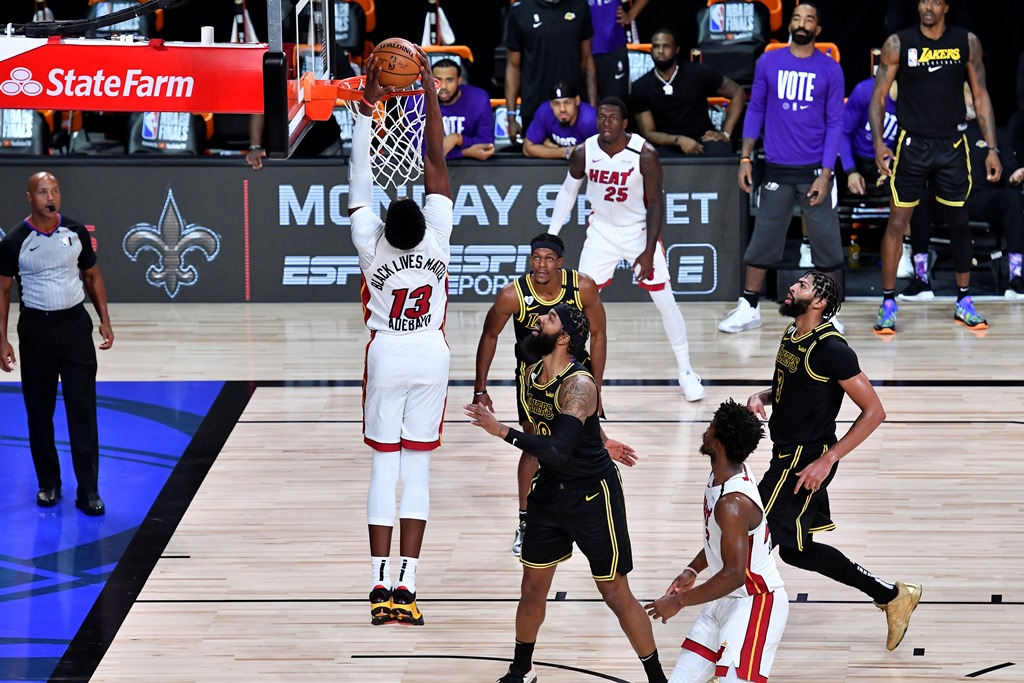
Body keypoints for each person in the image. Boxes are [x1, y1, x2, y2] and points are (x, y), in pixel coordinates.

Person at [464, 304, 667, 683]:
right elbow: (566, 427)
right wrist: (602, 439)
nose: (539, 318)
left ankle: (658, 678)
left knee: (615, 594)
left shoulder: (580, 384)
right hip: (550, 492)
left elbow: (558, 446)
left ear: (564, 338)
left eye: (550, 318)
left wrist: (501, 431)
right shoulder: (530, 370)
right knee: (532, 587)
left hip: (592, 496)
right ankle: (521, 670)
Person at [746, 270, 923, 651]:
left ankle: (734, 649)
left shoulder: (832, 349)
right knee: (795, 549)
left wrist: (828, 460)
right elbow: (793, 389)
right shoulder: (793, 333)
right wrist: (763, 396)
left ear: (820, 302)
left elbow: (875, 411)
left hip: (805, 460)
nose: (792, 286)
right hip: (785, 454)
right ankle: (893, 596)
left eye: (803, 286)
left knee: (750, 545)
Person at [347, 49, 452, 627]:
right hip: (431, 356)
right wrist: (431, 95)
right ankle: (408, 582)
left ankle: (377, 582)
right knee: (419, 469)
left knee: (383, 469)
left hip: (387, 350)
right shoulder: (438, 234)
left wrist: (368, 106)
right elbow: (435, 156)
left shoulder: (370, 241)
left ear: (387, 225)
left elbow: (361, 176)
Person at [547, 97, 705, 401]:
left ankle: (686, 370)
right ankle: (571, 372)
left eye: (613, 118)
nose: (606, 124)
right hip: (602, 233)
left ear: (624, 123)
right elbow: (568, 191)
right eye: (601, 118)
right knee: (577, 304)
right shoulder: (585, 151)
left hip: (638, 232)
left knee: (665, 300)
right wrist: (552, 236)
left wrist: (647, 251)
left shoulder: (644, 154)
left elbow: (657, 203)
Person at [870, 0, 1001, 333]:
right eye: (923, 0)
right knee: (898, 221)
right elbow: (879, 96)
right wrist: (879, 145)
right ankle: (888, 302)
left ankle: (964, 300)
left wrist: (992, 148)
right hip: (911, 145)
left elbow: (981, 94)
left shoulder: (965, 42)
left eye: (935, 1)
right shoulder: (899, 43)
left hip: (953, 145)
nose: (928, 6)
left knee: (959, 221)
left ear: (946, 6)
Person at [473, 233, 606, 556]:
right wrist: (480, 388)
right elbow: (489, 335)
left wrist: (597, 389)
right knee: (534, 444)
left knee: (589, 441)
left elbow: (599, 334)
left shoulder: (583, 287)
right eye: (536, 258)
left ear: (560, 262)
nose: (540, 265)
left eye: (548, 259)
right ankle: (525, 521)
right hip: (534, 377)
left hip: (574, 374)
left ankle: (589, 511)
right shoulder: (513, 294)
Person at [722, 2, 844, 336]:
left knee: (826, 243)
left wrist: (826, 171)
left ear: (818, 29)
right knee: (763, 240)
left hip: (814, 169)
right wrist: (745, 157)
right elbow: (756, 108)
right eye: (797, 17)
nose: (802, 23)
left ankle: (828, 313)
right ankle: (749, 306)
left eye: (809, 18)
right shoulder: (769, 61)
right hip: (776, 167)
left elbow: (835, 122)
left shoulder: (830, 69)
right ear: (789, 24)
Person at [645, 400, 788, 683]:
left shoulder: (733, 503)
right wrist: (693, 569)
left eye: (711, 427)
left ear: (720, 443)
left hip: (755, 601)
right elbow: (719, 539)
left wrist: (680, 602)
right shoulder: (724, 473)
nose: (706, 431)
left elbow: (735, 575)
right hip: (723, 599)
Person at [0, 171, 113, 516]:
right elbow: (3, 290)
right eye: (43, 192)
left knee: (83, 410)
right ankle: (49, 483)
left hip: (76, 328)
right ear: (30, 198)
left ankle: (89, 490)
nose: (51, 197)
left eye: (55, 190)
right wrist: (1, 338)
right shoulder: (15, 241)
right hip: (36, 332)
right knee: (40, 412)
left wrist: (104, 319)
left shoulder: (76, 232)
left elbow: (92, 275)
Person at [900, 83, 1023, 304]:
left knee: (1012, 197)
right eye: (967, 95)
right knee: (921, 198)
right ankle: (920, 279)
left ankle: (1016, 277)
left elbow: (1009, 173)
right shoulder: (943, 132)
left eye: (975, 96)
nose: (973, 100)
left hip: (981, 199)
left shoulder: (996, 134)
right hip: (947, 199)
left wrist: (1014, 176)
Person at [839, 78, 915, 277]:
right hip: (858, 158)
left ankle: (904, 251)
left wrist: (895, 163)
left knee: (908, 185)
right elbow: (843, 133)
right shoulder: (865, 91)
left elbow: (914, 142)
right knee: (819, 176)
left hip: (892, 161)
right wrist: (850, 171)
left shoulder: (916, 100)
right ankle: (810, 247)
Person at [632, 28, 746, 158]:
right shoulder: (640, 86)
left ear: (677, 49)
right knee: (648, 158)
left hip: (703, 138)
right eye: (656, 46)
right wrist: (679, 140)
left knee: (721, 152)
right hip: (666, 142)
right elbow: (649, 133)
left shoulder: (697, 72)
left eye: (666, 46)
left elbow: (738, 93)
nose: (660, 51)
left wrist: (726, 133)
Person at [505, 0, 597, 143]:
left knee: (580, 161)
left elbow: (587, 60)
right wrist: (511, 116)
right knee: (536, 159)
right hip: (534, 105)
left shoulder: (580, 6)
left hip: (573, 107)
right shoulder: (520, 10)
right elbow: (513, 66)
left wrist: (592, 107)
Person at [433, 58, 496, 161]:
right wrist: (465, 152)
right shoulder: (417, 102)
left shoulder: (478, 99)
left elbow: (486, 146)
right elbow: (423, 152)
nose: (443, 86)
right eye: (437, 80)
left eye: (449, 80)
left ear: (459, 81)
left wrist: (458, 139)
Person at [588, 0, 651, 101]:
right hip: (579, 51)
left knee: (613, 104)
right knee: (580, 105)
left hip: (613, 48)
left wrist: (630, 14)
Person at [523, 82, 598, 159]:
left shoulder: (590, 119)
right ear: (551, 104)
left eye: (567, 102)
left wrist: (550, 148)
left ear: (577, 101)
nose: (562, 109)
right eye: (556, 103)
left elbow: (601, 153)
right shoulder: (545, 111)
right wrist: (566, 152)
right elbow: (527, 149)